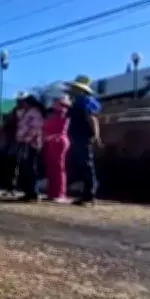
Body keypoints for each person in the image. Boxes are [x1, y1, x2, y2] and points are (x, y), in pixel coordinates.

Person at [67, 78, 102, 206]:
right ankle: (86, 194)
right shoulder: (77, 102)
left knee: (87, 165)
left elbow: (92, 119)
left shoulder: (84, 102)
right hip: (77, 137)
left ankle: (90, 195)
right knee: (83, 166)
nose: (72, 90)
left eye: (74, 88)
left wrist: (96, 135)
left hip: (83, 137)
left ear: (81, 90)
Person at [15, 93, 44, 202]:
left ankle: (33, 192)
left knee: (31, 168)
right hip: (25, 143)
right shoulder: (26, 113)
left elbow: (35, 129)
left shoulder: (34, 113)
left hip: (31, 144)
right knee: (26, 168)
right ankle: (28, 192)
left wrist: (25, 139)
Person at [42, 94, 72, 202]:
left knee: (58, 168)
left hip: (59, 141)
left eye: (57, 101)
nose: (55, 103)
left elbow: (56, 129)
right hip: (53, 141)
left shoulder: (63, 113)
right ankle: (53, 193)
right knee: (52, 167)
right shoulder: (54, 114)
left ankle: (59, 193)